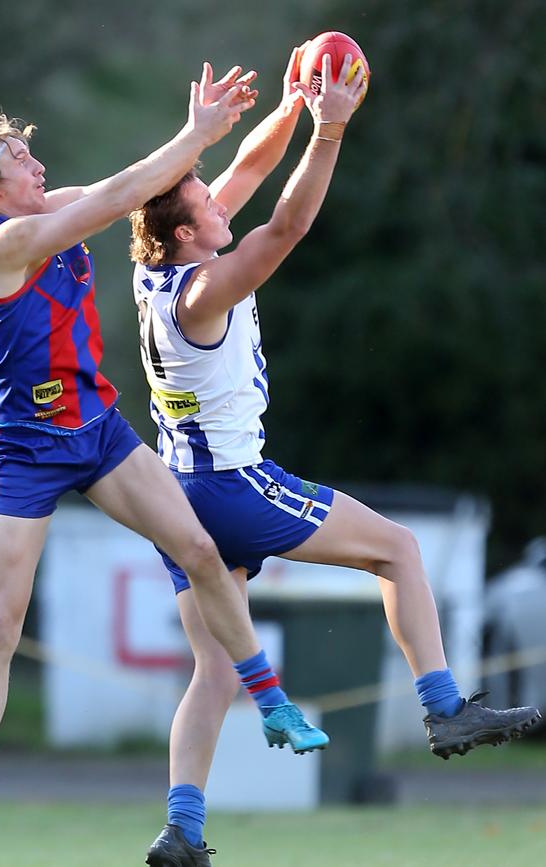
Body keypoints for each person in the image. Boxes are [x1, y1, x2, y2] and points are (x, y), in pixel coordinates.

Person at [129, 48, 542, 866]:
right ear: (186, 232)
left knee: (214, 670)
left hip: (178, 499)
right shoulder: (206, 291)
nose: (220, 201)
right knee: (399, 549)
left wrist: (286, 109)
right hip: (234, 487)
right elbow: (285, 226)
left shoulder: (155, 272)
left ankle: (182, 830)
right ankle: (444, 706)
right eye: (206, 202)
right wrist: (329, 131)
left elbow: (245, 171)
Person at [0, 65, 329, 865]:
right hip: (28, 449)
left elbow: (127, 184)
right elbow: (119, 199)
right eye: (19, 160)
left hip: (100, 431)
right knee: (1, 622)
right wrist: (197, 135)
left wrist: (281, 114)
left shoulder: (52, 206)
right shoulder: (3, 244)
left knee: (203, 552)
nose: (37, 166)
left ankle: (271, 700)